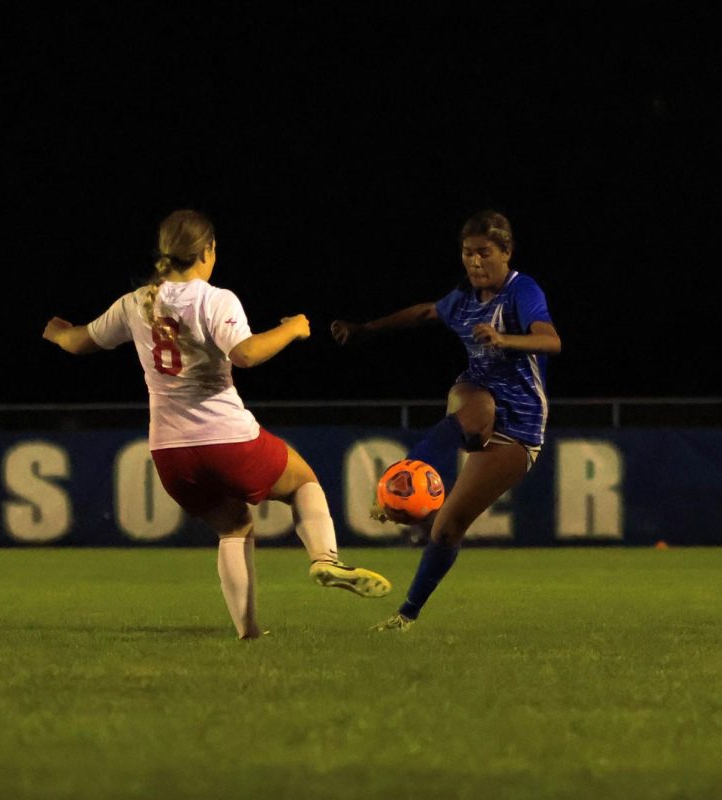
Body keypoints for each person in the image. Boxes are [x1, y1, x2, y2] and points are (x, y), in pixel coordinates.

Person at [44, 209, 390, 640]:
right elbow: (244, 354)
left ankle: (248, 633)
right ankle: (325, 558)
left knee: (233, 527)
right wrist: (292, 330)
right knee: (303, 481)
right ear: (207, 250)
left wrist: (57, 332)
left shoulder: (136, 302)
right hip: (227, 440)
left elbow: (79, 342)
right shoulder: (214, 299)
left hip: (170, 454)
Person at [330, 209, 560, 631]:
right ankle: (402, 476)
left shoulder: (521, 290)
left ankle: (406, 615)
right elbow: (423, 313)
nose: (474, 262)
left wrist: (504, 338)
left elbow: (551, 340)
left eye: (484, 253)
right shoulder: (465, 300)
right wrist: (365, 328)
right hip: (476, 396)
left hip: (521, 428)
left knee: (448, 527)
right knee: (477, 408)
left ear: (506, 252)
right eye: (468, 253)